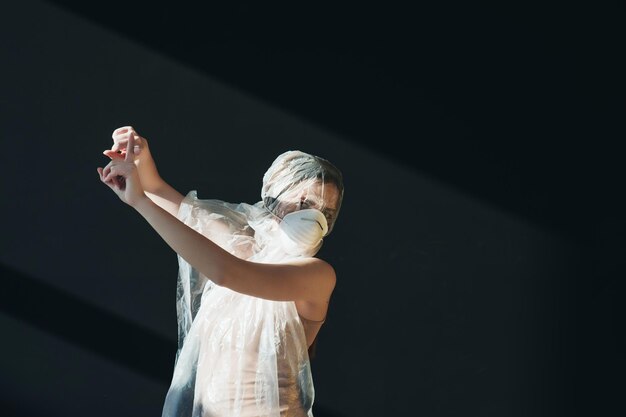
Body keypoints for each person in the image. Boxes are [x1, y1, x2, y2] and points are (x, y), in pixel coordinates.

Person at [97, 126, 344, 417]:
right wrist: (140, 160)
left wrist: (139, 202)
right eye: (305, 203)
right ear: (274, 195)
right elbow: (171, 201)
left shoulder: (316, 275)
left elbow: (226, 273)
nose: (314, 218)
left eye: (326, 213)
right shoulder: (239, 244)